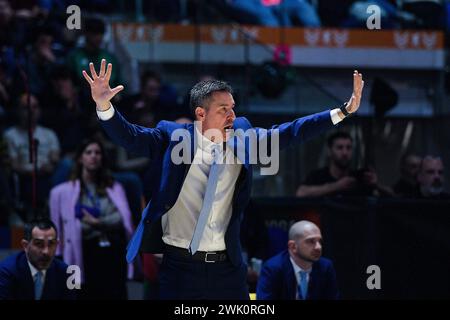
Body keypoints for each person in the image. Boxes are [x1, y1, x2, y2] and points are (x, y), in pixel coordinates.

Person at [82, 59, 363, 299]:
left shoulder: (244, 137)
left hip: (227, 267)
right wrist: (105, 107)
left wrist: (343, 111)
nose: (233, 115)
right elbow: (130, 138)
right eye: (223, 110)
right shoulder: (173, 135)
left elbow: (292, 132)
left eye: (233, 107)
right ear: (200, 113)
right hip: (180, 267)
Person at [49, 138, 134, 299]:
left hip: (111, 253)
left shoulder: (115, 188)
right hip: (82, 251)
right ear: (80, 158)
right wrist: (103, 223)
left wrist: (97, 223)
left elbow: (121, 218)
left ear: (102, 158)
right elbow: (66, 229)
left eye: (98, 153)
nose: (93, 156)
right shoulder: (62, 192)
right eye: (88, 152)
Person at [256, 220, 338, 300]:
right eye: (311, 241)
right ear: (293, 246)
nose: (318, 247)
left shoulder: (325, 267)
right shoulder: (273, 268)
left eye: (319, 241)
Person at [296, 131, 392, 197]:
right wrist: (337, 186)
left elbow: (394, 197)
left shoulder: (359, 177)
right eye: (340, 148)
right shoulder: (318, 176)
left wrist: (375, 185)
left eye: (348, 148)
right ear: (329, 151)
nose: (345, 152)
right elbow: (301, 193)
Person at [0, 218, 76, 300]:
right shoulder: (6, 271)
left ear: (57, 244)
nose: (46, 252)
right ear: (25, 245)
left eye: (51, 244)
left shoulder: (67, 273)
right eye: (39, 244)